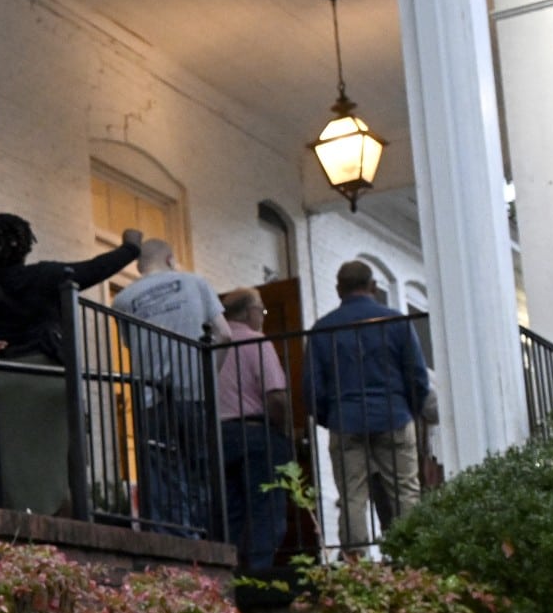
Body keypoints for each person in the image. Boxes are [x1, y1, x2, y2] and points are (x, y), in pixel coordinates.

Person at [0, 215, 142, 512]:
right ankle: (51, 515)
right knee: (51, 464)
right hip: (43, 380)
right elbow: (94, 269)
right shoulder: (44, 276)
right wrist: (131, 247)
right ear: (24, 245)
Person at [110, 237, 233, 536]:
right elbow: (225, 334)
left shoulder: (122, 300)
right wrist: (207, 376)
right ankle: (205, 542)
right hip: (194, 394)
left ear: (139, 266)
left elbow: (130, 345)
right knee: (201, 471)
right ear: (169, 259)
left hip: (150, 399)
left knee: (162, 479)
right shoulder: (195, 283)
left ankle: (174, 548)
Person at [308, 259, 432, 550]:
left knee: (352, 496)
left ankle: (355, 560)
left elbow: (313, 387)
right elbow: (417, 376)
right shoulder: (395, 322)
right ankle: (413, 555)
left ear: (339, 289)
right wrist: (409, 410)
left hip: (346, 419)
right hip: (393, 415)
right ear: (373, 286)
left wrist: (331, 416)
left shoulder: (322, 329)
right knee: (405, 491)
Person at [213, 288, 292, 572]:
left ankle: (227, 574)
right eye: (262, 310)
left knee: (229, 513)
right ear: (249, 312)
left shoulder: (212, 345)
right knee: (266, 510)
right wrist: (283, 430)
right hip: (256, 434)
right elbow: (276, 396)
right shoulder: (257, 341)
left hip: (220, 436)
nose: (263, 316)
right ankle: (260, 575)